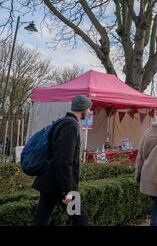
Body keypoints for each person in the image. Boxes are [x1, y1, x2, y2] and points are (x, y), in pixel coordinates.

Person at [32, 95, 92, 226]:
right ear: (82, 109)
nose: (88, 112)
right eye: (88, 109)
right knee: (81, 220)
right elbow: (64, 161)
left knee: (40, 220)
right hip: (59, 186)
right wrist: (68, 191)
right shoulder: (70, 126)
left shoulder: (63, 122)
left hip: (49, 182)